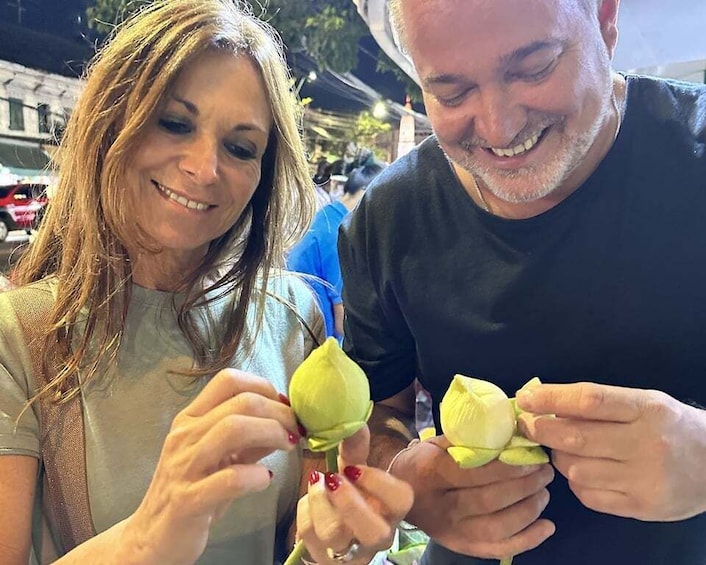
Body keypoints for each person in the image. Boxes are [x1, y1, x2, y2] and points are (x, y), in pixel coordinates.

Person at [0, 1, 413, 564]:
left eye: (240, 147)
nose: (204, 167)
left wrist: (341, 543)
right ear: (110, 122)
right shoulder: (19, 337)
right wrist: (150, 533)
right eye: (174, 122)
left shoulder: (296, 320)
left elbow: (309, 541)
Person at [338, 1, 706, 564]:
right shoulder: (389, 217)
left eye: (533, 68)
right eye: (452, 93)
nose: (499, 127)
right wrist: (403, 477)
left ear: (606, 19)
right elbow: (373, 415)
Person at [287, 158, 386, 339]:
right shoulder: (341, 232)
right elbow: (343, 322)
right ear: (369, 194)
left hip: (299, 328)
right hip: (315, 338)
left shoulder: (328, 215)